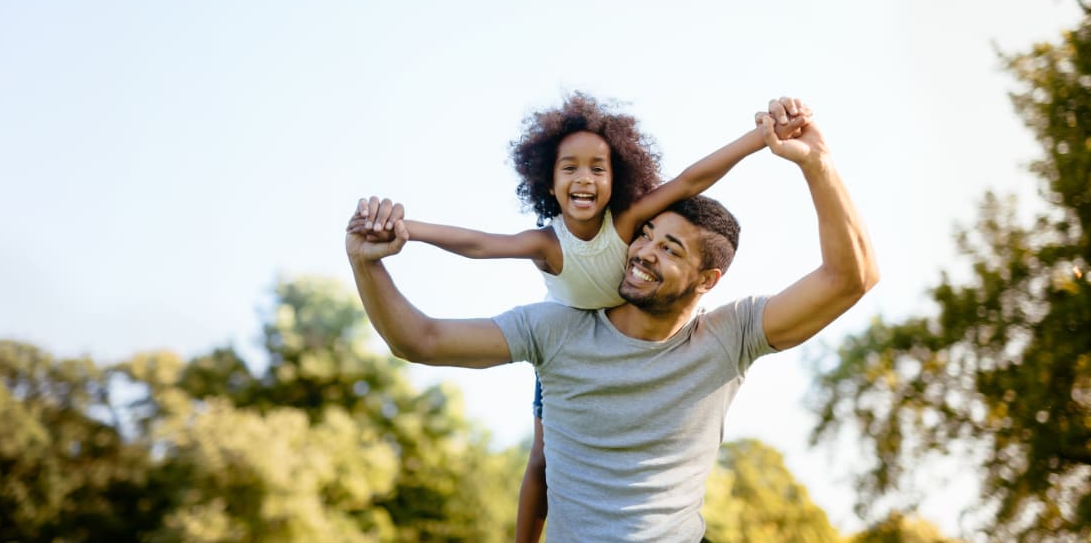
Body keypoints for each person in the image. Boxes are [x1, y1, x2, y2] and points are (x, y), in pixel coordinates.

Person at [346, 103, 878, 541]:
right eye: (644, 234)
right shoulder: (556, 329)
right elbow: (420, 339)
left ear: (707, 279)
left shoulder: (730, 336)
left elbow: (849, 278)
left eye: (668, 248)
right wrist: (367, 263)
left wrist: (818, 163)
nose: (642, 251)